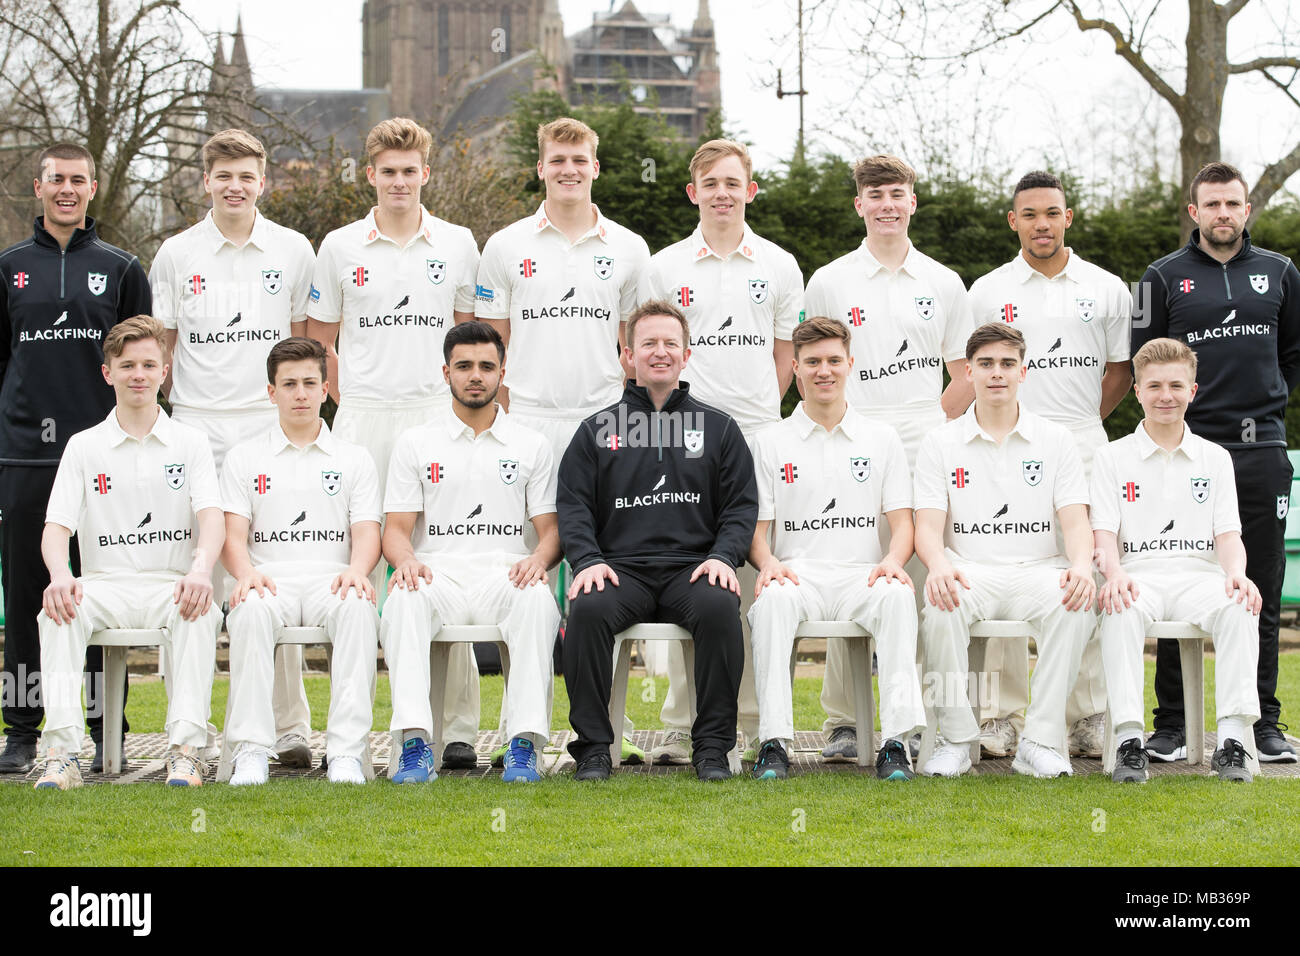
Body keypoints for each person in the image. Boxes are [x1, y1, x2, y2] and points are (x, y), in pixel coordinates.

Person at [474, 116, 652, 763]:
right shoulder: (505, 246)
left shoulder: (630, 248)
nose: (569, 169)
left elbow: (640, 348)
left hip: (606, 427)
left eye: (580, 158)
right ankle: (522, 733)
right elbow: (489, 345)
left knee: (604, 578)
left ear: (595, 167)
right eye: (558, 159)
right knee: (523, 582)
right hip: (527, 426)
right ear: (541, 167)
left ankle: (605, 731)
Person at [307, 117, 483, 768]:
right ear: (371, 174)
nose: (400, 181)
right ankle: (347, 741)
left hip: (436, 417)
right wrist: (345, 406)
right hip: (363, 420)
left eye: (410, 171)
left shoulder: (460, 243)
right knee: (352, 578)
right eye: (389, 171)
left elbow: (470, 339)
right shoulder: (340, 246)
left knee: (443, 566)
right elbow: (320, 339)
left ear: (426, 175)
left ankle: (457, 731)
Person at [150, 128, 318, 768]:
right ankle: (186, 734)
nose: (235, 186)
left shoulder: (293, 250)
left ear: (263, 180)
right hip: (195, 427)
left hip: (265, 429)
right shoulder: (175, 253)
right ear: (206, 181)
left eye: (246, 175)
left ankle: (289, 729)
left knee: (266, 579)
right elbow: (162, 350)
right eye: (224, 175)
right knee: (191, 578)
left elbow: (302, 347)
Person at [801, 154, 973, 761]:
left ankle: (914, 716)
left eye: (897, 193)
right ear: (860, 205)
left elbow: (965, 373)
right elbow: (817, 362)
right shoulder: (828, 280)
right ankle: (845, 720)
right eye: (875, 195)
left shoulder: (944, 281)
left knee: (922, 583)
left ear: (913, 201)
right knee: (852, 571)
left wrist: (933, 422)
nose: (887, 205)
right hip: (852, 444)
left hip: (926, 445)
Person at [640, 138, 802, 765]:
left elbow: (785, 356)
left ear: (750, 190)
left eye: (734, 183)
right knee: (692, 573)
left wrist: (753, 419)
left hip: (760, 434)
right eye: (711, 183)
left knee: (760, 576)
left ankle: (759, 723)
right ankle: (685, 722)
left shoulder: (781, 265)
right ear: (694, 192)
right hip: (682, 442)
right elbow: (652, 351)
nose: (723, 193)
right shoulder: (664, 267)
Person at [1131, 161, 1300, 763]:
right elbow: (1146, 362)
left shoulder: (1280, 272)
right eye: (1213, 204)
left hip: (1259, 453)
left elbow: (1291, 356)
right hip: (1183, 454)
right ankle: (1172, 726)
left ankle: (1262, 723)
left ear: (1247, 210)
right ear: (1194, 211)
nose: (1223, 213)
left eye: (1234, 204)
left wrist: (1264, 408)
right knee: (1175, 576)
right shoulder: (1160, 278)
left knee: (1261, 586)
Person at [965, 170, 1132, 761]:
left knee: (1080, 570)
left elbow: (1119, 370)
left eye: (1052, 213)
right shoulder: (985, 290)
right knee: (1006, 563)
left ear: (1068, 217)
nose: (1042, 224)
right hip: (1004, 451)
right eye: (1029, 214)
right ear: (1014, 221)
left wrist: (1079, 423)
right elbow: (972, 374)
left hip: (1083, 446)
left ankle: (1085, 713)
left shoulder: (1109, 288)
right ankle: (1001, 715)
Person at [558, 300, 757, 782]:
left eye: (671, 343)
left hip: (692, 569)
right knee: (585, 610)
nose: (660, 352)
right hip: (619, 570)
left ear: (687, 354)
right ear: (629, 355)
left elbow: (740, 507)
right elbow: (574, 505)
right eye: (649, 343)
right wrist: (585, 561)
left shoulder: (720, 428)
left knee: (719, 608)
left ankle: (711, 747)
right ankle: (593, 749)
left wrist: (723, 558)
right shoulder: (595, 430)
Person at [0, 142, 151, 775]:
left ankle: (101, 724)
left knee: (98, 591)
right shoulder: (8, 269)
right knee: (34, 594)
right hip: (25, 456)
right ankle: (23, 729)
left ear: (92, 189)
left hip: (103, 459)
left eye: (78, 181)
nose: (67, 190)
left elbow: (143, 365)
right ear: (38, 188)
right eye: (56, 180)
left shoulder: (121, 269)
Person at [33, 316, 224, 789]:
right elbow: (55, 527)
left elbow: (212, 519)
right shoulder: (83, 446)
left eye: (148, 364)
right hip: (104, 583)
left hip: (170, 583)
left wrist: (201, 570)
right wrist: (60, 574)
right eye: (127, 365)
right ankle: (62, 753)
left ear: (164, 371)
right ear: (108, 373)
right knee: (56, 609)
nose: (138, 374)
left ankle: (185, 750)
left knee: (201, 610)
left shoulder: (191, 441)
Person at [380, 321, 561, 783]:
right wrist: (405, 562)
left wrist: (539, 560)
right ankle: (415, 744)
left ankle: (523, 744)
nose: (474, 375)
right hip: (436, 575)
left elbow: (551, 529)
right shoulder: (415, 443)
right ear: (446, 373)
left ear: (503, 372)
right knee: (402, 598)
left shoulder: (531, 444)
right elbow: (396, 530)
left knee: (538, 598)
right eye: (464, 366)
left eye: (486, 366)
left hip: (503, 575)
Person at [747, 317, 926, 780]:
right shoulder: (769, 442)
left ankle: (895, 744)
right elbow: (757, 529)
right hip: (797, 574)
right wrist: (767, 564)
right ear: (795, 368)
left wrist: (892, 560)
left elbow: (902, 523)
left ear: (850, 364)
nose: (824, 370)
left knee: (899, 596)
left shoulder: (881, 439)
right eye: (812, 362)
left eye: (833, 360)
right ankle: (774, 743)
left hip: (860, 574)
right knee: (771, 604)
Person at [915, 323, 1095, 778]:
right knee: (939, 605)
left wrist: (1079, 566)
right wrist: (937, 564)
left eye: (1007, 364)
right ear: (969, 372)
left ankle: (1038, 740)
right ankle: (955, 740)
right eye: (986, 364)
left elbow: (1075, 521)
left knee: (1076, 603)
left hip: (1037, 569)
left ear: (1023, 371)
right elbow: (928, 528)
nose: (997, 374)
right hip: (968, 570)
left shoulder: (1056, 440)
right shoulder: (940, 441)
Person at [1092, 337, 1261, 782]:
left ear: (1193, 390)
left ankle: (1232, 742)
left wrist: (1238, 575)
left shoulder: (1216, 458)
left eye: (1175, 385)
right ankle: (1130, 740)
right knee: (1117, 603)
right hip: (1138, 576)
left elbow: (1228, 535)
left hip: (1198, 577)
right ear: (1137, 392)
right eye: (1154, 386)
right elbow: (1103, 534)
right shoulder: (1110, 458)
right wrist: (1114, 573)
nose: (1165, 395)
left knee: (1240, 601)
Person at [220, 337, 382, 785]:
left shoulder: (354, 458)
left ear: (326, 389)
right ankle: (253, 749)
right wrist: (246, 574)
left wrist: (357, 571)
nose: (301, 393)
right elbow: (232, 535)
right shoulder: (244, 458)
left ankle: (346, 751)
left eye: (310, 382)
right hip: (270, 580)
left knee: (358, 608)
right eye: (289, 384)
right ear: (271, 392)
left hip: (333, 579)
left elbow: (367, 531)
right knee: (249, 611)